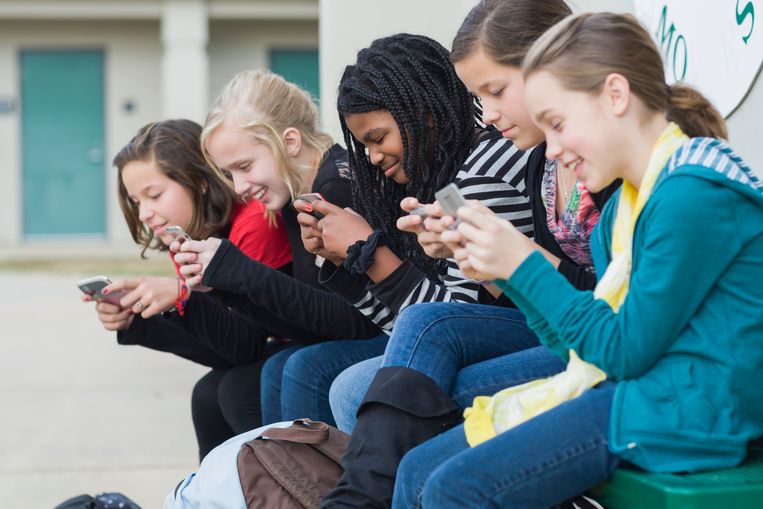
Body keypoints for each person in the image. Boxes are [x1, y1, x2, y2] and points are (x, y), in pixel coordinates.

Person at [393, 12, 763, 508]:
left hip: (688, 411)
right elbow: (578, 348)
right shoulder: (624, 209)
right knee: (416, 468)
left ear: (615, 95)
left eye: (559, 125)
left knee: (452, 489)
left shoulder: (691, 194)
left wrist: (522, 262)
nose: (552, 149)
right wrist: (507, 270)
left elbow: (623, 351)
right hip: (642, 389)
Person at [268, 33, 539, 426]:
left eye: (378, 138)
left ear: (423, 110)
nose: (374, 156)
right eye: (363, 146)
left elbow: (451, 326)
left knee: (352, 386)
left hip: (535, 334)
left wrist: (372, 253)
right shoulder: (445, 178)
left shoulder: (481, 175)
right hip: (485, 334)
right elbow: (408, 332)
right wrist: (348, 261)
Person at [170, 70, 384, 425]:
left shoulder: (337, 188)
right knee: (271, 367)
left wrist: (240, 272)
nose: (239, 186)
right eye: (229, 174)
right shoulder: (294, 192)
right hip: (363, 330)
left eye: (245, 166)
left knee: (300, 366)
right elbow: (312, 322)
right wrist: (226, 287)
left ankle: (306, 480)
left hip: (391, 329)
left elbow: (356, 320)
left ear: (290, 142)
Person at [84, 119, 293, 459]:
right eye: (137, 201)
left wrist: (181, 300)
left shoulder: (254, 223)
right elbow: (221, 350)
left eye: (154, 195)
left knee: (234, 390)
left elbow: (246, 346)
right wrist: (137, 321)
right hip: (267, 352)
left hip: (309, 345)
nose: (145, 213)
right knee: (208, 393)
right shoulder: (186, 236)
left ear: (201, 181)